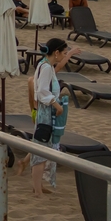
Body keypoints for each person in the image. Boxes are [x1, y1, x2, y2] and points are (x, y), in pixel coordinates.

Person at [31, 38, 71, 198]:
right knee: (41, 150)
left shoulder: (44, 65)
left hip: (44, 112)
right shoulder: (46, 67)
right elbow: (42, 91)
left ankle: (38, 186)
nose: (64, 56)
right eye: (64, 53)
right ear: (56, 52)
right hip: (46, 112)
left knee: (42, 148)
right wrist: (56, 105)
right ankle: (37, 190)